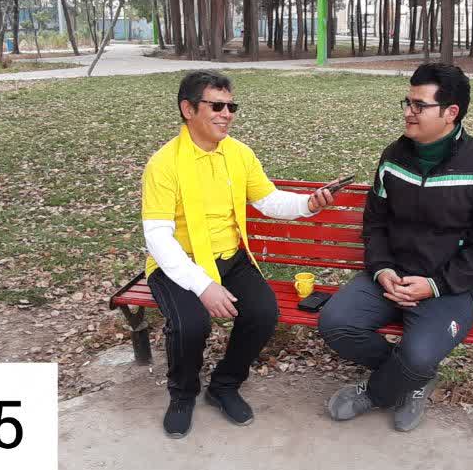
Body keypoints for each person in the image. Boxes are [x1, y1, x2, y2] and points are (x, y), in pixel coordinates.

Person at [317, 62, 473, 432]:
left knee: (419, 354)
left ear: (451, 112)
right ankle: (413, 375)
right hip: (390, 278)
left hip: (450, 288)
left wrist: (434, 285)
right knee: (335, 324)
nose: (409, 111)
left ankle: (379, 391)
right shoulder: (394, 157)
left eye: (419, 105)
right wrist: (382, 269)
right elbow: (375, 222)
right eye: (407, 102)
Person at [142, 70, 336, 438]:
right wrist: (202, 285)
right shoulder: (163, 164)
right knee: (190, 325)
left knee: (263, 312)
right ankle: (182, 394)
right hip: (177, 264)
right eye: (217, 106)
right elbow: (158, 237)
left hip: (230, 258)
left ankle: (225, 385)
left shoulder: (239, 154)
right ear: (188, 109)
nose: (227, 114)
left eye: (231, 107)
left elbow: (268, 199)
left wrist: (308, 204)